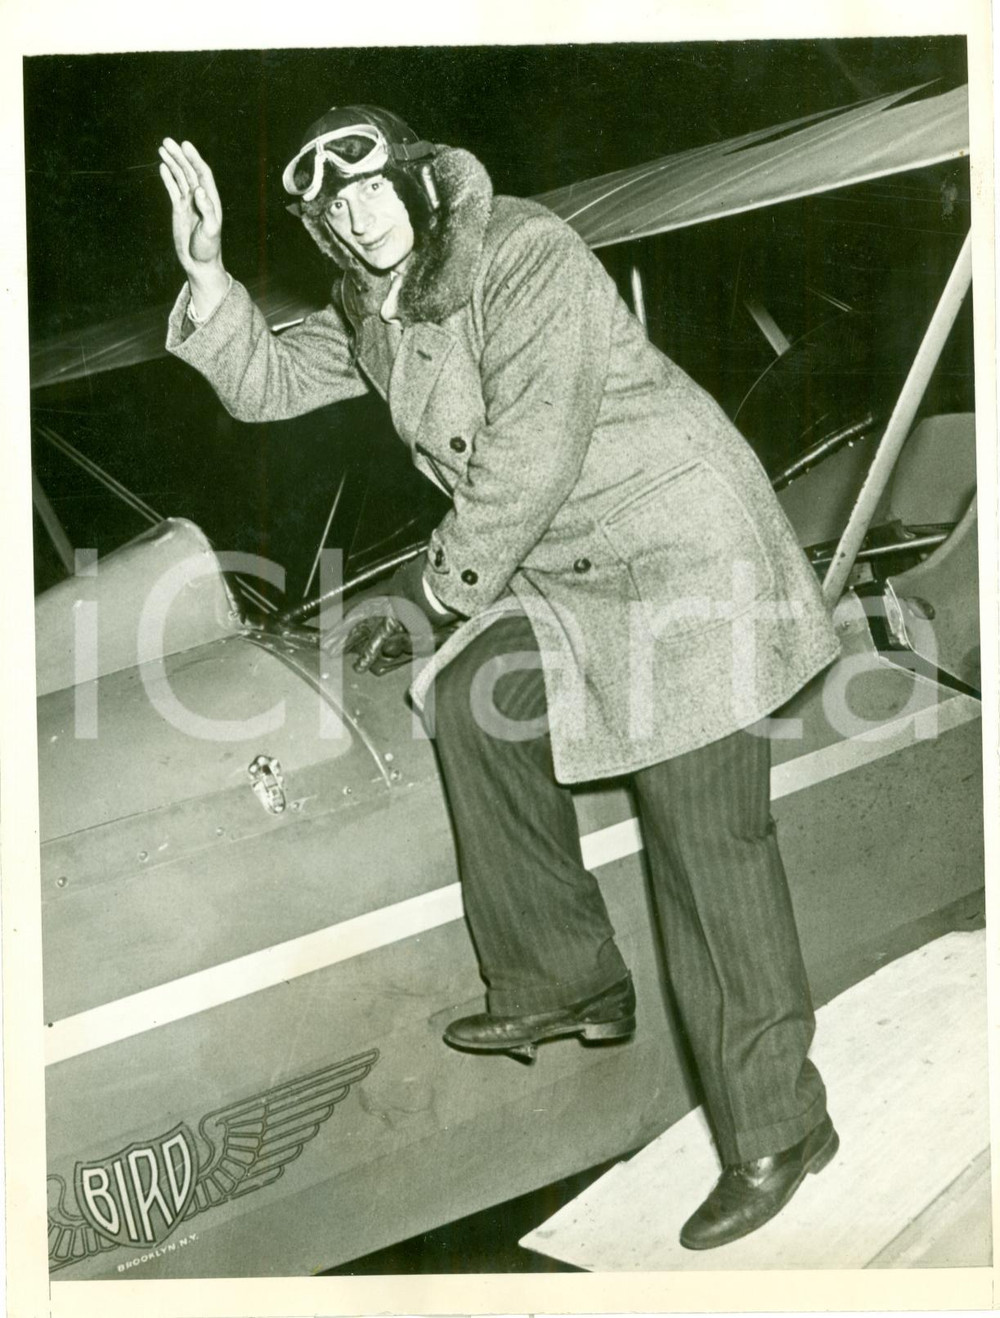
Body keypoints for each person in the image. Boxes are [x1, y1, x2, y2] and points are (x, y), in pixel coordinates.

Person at [159, 104, 842, 1251]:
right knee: (472, 711)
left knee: (703, 842)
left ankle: (780, 1126)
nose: (358, 214)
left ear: (420, 183)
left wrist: (437, 596)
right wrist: (210, 275)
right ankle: (565, 976)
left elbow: (530, 453)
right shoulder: (374, 305)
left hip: (678, 554)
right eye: (333, 206)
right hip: (567, 570)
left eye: (373, 187)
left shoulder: (522, 255)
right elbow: (266, 385)